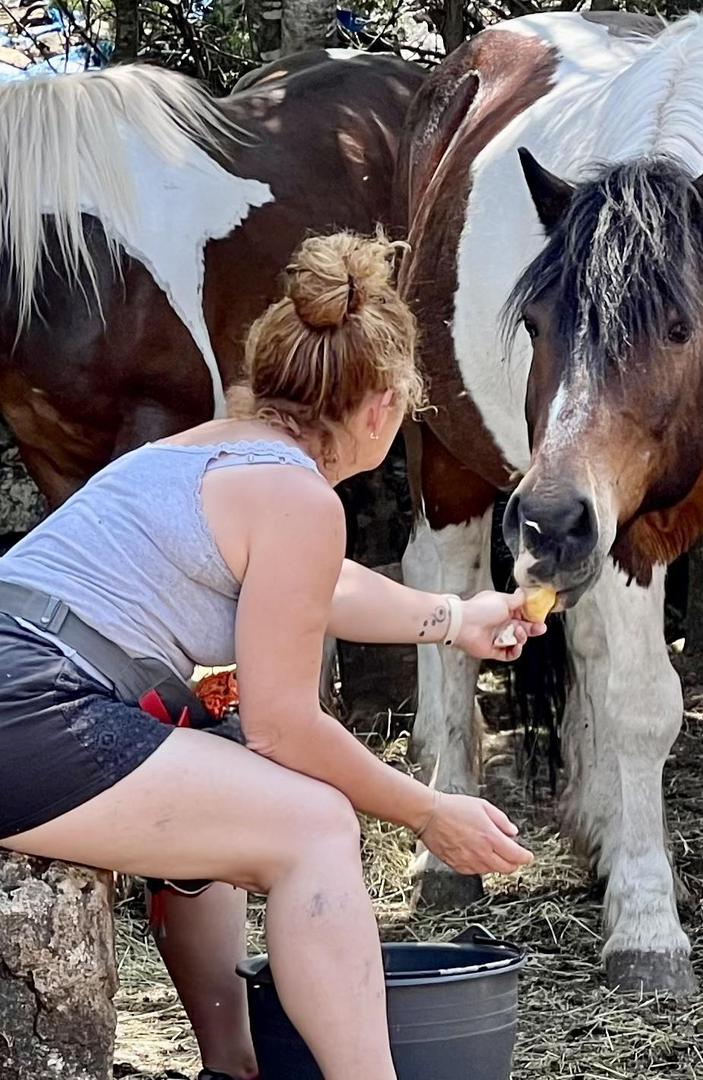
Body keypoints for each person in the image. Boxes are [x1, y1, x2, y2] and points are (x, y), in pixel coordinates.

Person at [0, 232, 541, 1080]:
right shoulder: (297, 496)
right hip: (31, 706)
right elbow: (283, 727)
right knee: (312, 823)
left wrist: (455, 617)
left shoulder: (197, 451)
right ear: (381, 408)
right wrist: (427, 812)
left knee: (212, 758)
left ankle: (234, 1066)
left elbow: (316, 588)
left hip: (23, 680)